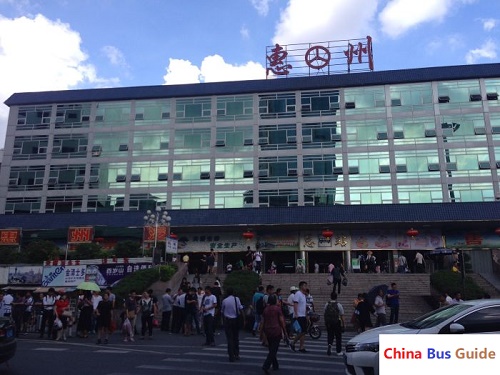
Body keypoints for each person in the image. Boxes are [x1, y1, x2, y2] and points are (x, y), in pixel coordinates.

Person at [261, 294, 287, 374]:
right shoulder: (277, 309)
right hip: (276, 330)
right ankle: (266, 365)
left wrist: (261, 333)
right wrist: (285, 332)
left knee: (272, 348)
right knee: (273, 350)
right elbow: (281, 321)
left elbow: (263, 322)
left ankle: (275, 365)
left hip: (268, 330)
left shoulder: (265, 309)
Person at [221, 287, 244, 362]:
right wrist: (244, 319)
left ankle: (231, 355)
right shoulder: (236, 299)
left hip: (227, 320)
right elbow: (241, 309)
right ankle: (236, 354)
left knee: (230, 339)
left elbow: (222, 312)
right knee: (236, 338)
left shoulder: (224, 301)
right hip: (235, 320)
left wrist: (222, 321)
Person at [324, 291, 345, 356]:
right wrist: (343, 324)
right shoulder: (339, 305)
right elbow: (342, 315)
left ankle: (330, 344)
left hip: (329, 322)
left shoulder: (327, 304)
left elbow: (325, 313)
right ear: (336, 297)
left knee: (330, 335)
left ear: (331, 297)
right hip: (337, 322)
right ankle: (338, 351)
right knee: (338, 337)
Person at [289, 280, 308, 353]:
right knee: (302, 331)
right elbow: (295, 304)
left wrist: (306, 314)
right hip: (299, 315)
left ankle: (301, 347)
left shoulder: (303, 295)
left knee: (303, 331)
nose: (306, 287)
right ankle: (292, 343)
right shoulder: (298, 294)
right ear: (301, 286)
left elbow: (303, 306)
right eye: (304, 285)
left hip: (303, 315)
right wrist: (296, 313)